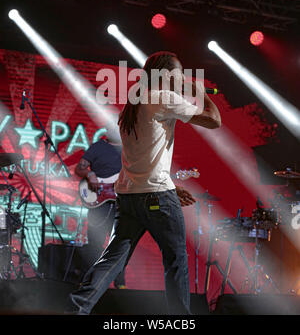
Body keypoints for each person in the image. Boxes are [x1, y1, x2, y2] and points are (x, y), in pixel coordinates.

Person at [67, 51, 221, 315]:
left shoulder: (133, 104)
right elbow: (214, 120)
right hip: (156, 198)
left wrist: (171, 184)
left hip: (129, 196)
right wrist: (201, 93)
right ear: (164, 74)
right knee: (176, 261)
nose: (181, 77)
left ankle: (77, 307)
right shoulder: (163, 98)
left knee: (114, 257)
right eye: (177, 72)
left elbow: (143, 157)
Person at [74, 134, 126, 289]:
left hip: (121, 204)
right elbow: (79, 168)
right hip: (98, 203)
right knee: (95, 244)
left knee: (120, 245)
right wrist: (90, 174)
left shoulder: (130, 149)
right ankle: (89, 283)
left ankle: (120, 285)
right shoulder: (98, 146)